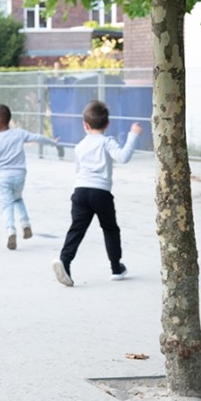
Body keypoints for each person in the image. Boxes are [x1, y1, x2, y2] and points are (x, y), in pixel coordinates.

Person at [53, 101, 143, 287]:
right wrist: (133, 135)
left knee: (77, 229)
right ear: (107, 124)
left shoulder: (79, 146)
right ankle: (116, 268)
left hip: (80, 191)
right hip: (101, 193)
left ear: (85, 125)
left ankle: (65, 261)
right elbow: (123, 157)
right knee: (110, 229)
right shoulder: (107, 142)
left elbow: (78, 170)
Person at [0, 103, 61, 250]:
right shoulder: (18, 133)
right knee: (18, 199)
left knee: (7, 204)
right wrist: (52, 142)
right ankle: (25, 223)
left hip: (3, 177)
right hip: (19, 175)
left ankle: (11, 230)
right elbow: (37, 137)